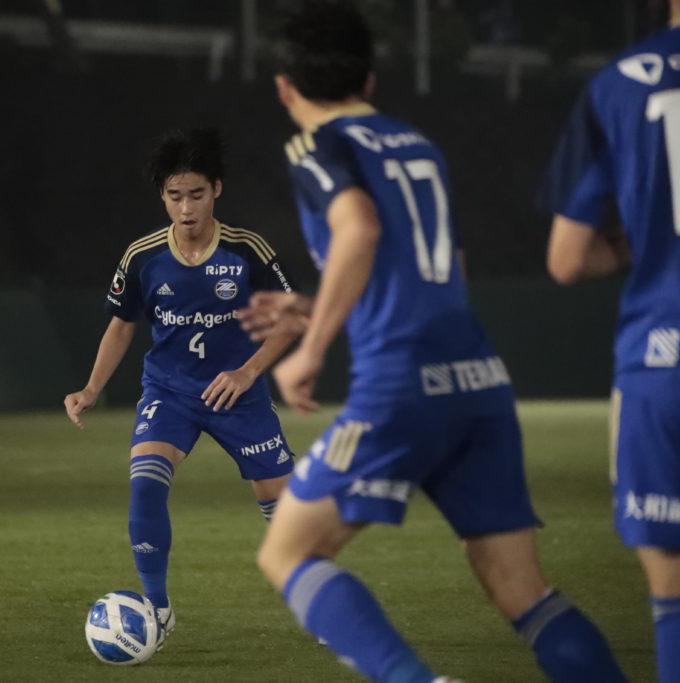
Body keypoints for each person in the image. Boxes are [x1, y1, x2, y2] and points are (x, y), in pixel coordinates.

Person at [237, 2, 627, 681]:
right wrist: (318, 305)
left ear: (285, 87)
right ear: (369, 78)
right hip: (477, 379)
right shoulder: (417, 144)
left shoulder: (317, 146)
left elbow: (358, 229)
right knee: (523, 590)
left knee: (287, 552)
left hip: (402, 385)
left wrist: (312, 347)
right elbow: (444, 269)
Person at [64, 127, 299, 646]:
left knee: (284, 510)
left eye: (196, 194)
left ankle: (318, 604)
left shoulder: (247, 250)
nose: (186, 208)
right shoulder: (143, 256)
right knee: (146, 482)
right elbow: (122, 325)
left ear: (217, 189)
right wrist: (92, 387)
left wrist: (247, 372)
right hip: (169, 392)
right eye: (175, 196)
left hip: (238, 397)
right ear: (162, 196)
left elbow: (289, 320)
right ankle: (157, 608)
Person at [543, 3, 680, 679]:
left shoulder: (619, 83)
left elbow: (567, 259)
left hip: (661, 354)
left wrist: (639, 248)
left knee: (671, 581)